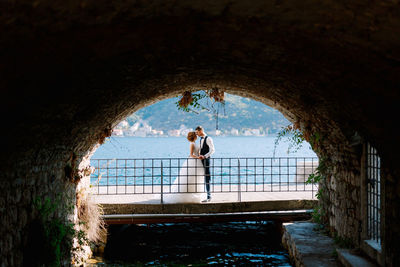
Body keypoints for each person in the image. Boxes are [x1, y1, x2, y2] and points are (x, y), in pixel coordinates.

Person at [164, 132, 205, 203]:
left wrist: (200, 156)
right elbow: (191, 154)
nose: (197, 136)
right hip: (193, 160)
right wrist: (198, 157)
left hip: (197, 161)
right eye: (196, 135)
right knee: (190, 176)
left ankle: (196, 192)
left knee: (196, 177)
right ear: (194, 136)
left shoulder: (195, 143)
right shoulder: (192, 144)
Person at [195, 126, 215, 202]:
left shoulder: (208, 139)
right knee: (201, 177)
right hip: (201, 160)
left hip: (206, 160)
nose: (196, 134)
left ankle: (209, 196)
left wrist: (205, 156)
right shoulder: (200, 139)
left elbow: (212, 150)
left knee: (207, 177)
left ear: (201, 131)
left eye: (197, 132)